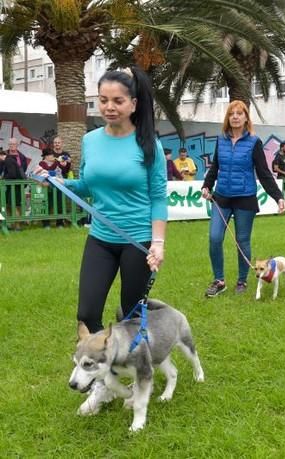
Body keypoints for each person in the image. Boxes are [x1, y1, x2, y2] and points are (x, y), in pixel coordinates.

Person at [34, 67, 167, 410]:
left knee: (130, 316)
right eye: (103, 100)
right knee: (88, 310)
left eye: (118, 100)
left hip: (137, 241)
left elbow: (158, 198)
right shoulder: (91, 141)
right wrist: (57, 182)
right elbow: (88, 186)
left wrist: (158, 243)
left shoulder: (148, 144)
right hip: (101, 238)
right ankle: (104, 382)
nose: (109, 107)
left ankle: (134, 374)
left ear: (134, 103)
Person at [202, 100, 285, 297]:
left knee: (242, 241)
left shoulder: (254, 142)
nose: (236, 117)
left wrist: (278, 197)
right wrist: (206, 185)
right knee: (214, 238)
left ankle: (242, 280)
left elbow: (264, 172)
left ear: (246, 118)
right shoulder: (221, 140)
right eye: (232, 113)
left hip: (245, 199)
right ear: (228, 118)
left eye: (240, 113)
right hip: (221, 197)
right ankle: (219, 280)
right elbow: (215, 167)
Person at [3, 138, 28, 230]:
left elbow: (23, 170)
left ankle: (18, 225)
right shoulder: (4, 154)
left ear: (17, 145)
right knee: (7, 204)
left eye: (14, 144)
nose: (12, 145)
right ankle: (11, 224)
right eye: (10, 144)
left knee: (16, 204)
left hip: (18, 184)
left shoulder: (22, 157)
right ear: (8, 145)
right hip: (7, 184)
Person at [38, 148, 65, 228]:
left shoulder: (57, 162)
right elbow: (49, 169)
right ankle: (46, 223)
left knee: (59, 205)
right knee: (47, 205)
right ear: (46, 156)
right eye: (51, 155)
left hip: (58, 186)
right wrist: (56, 162)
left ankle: (60, 223)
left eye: (53, 155)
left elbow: (64, 169)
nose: (53, 156)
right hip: (46, 187)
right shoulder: (42, 163)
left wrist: (63, 162)